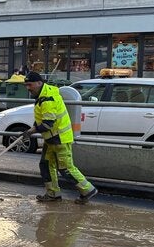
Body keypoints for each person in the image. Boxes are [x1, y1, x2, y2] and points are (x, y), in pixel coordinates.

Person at [21, 71, 97, 204]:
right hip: (52, 138)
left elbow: (47, 124)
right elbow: (42, 118)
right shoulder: (42, 95)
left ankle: (88, 190)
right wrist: (32, 129)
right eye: (26, 85)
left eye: (30, 85)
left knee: (65, 168)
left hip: (59, 139)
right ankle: (52, 194)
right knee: (46, 165)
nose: (28, 88)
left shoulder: (48, 99)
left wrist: (32, 131)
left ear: (39, 83)